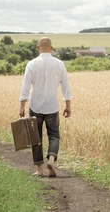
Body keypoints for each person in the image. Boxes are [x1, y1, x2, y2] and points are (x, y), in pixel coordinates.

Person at [19, 37, 72, 177]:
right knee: (54, 135)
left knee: (36, 138)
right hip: (52, 106)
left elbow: (25, 86)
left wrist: (22, 105)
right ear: (51, 48)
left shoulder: (31, 64)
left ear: (38, 48)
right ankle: (52, 159)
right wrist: (68, 105)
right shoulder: (59, 64)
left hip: (35, 105)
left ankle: (40, 170)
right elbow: (65, 85)